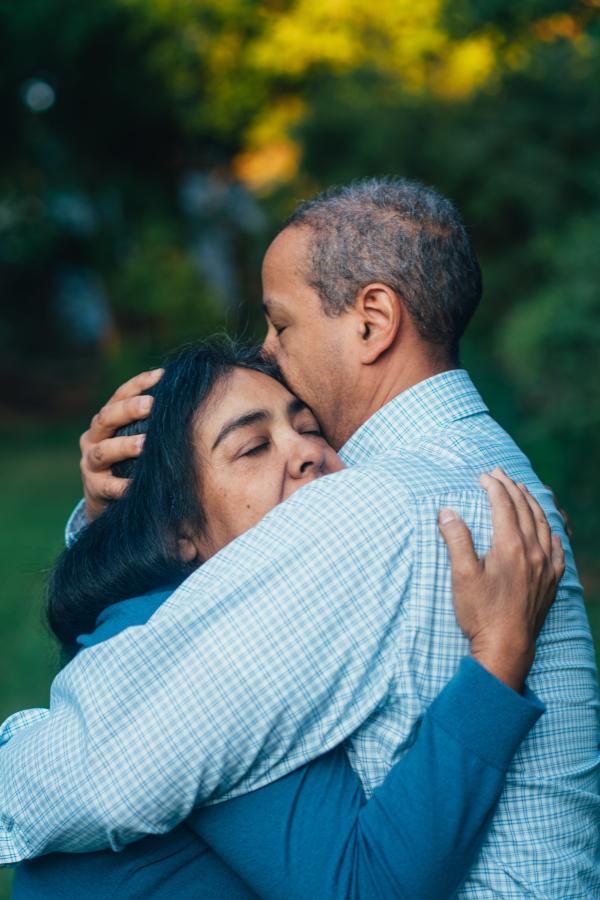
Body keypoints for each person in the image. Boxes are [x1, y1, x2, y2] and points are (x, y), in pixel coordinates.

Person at [1, 178, 598, 898]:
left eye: (281, 326)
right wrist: (117, 519)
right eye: (252, 446)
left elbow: (101, 769)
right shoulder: (488, 472)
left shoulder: (371, 507)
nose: (270, 350)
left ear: (373, 320)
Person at [12, 341, 550, 899]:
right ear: (178, 532)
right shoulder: (204, 657)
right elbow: (365, 887)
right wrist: (498, 654)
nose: (306, 453)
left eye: (310, 427)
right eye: (252, 448)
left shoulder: (183, 614)